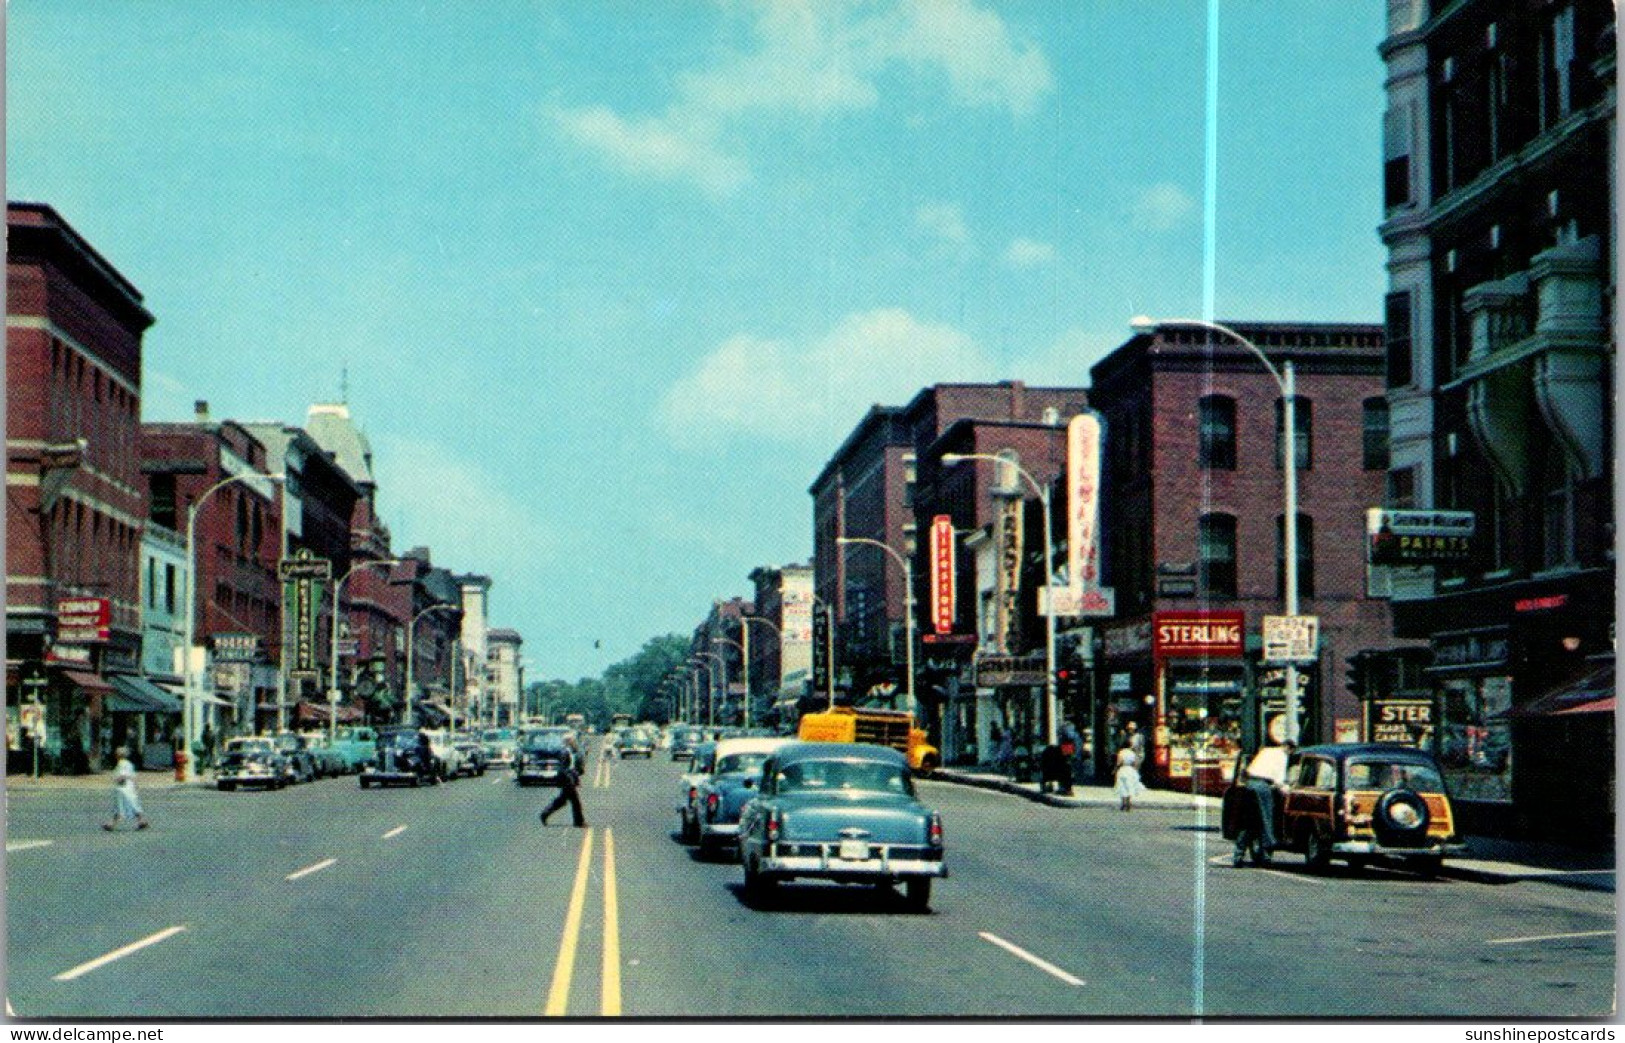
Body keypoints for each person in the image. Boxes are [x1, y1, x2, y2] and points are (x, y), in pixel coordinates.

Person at [103, 747, 149, 831]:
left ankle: (112, 824)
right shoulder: (129, 764)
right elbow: (133, 775)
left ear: (118, 755)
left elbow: (122, 775)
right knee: (132, 804)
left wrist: (118, 779)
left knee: (120, 806)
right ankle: (141, 821)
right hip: (129, 787)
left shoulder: (121, 763)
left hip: (123, 788)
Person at [539, 752, 587, 827]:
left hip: (567, 785)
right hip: (568, 786)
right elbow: (569, 775)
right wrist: (575, 782)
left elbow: (571, 774)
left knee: (561, 802)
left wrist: (575, 781)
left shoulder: (563, 767)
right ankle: (579, 822)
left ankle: (544, 814)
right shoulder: (564, 768)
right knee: (575, 803)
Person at [1114, 742, 1145, 812]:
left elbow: (1119, 762)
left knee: (1122, 787)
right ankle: (1129, 803)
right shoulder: (1132, 753)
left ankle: (1123, 803)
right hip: (1130, 770)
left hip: (1123, 769)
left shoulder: (1121, 752)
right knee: (1129, 786)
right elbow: (1136, 763)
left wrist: (1115, 770)